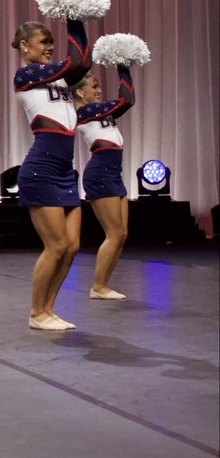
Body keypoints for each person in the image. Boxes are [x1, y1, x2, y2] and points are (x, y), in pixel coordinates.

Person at [12, 17, 92, 331]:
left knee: (72, 246)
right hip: (41, 169)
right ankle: (36, 312)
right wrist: (74, 19)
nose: (49, 48)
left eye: (51, 43)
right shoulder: (27, 74)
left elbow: (81, 63)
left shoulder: (58, 80)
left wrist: (79, 20)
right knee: (56, 245)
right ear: (24, 46)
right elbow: (76, 61)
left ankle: (49, 309)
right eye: (43, 42)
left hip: (64, 170)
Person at [72, 66, 136, 300]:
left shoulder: (99, 112)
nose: (99, 91)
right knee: (114, 233)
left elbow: (125, 101)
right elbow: (127, 100)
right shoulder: (85, 112)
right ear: (80, 93)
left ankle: (104, 285)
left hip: (113, 173)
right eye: (94, 87)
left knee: (121, 234)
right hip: (100, 174)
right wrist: (123, 67)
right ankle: (98, 287)